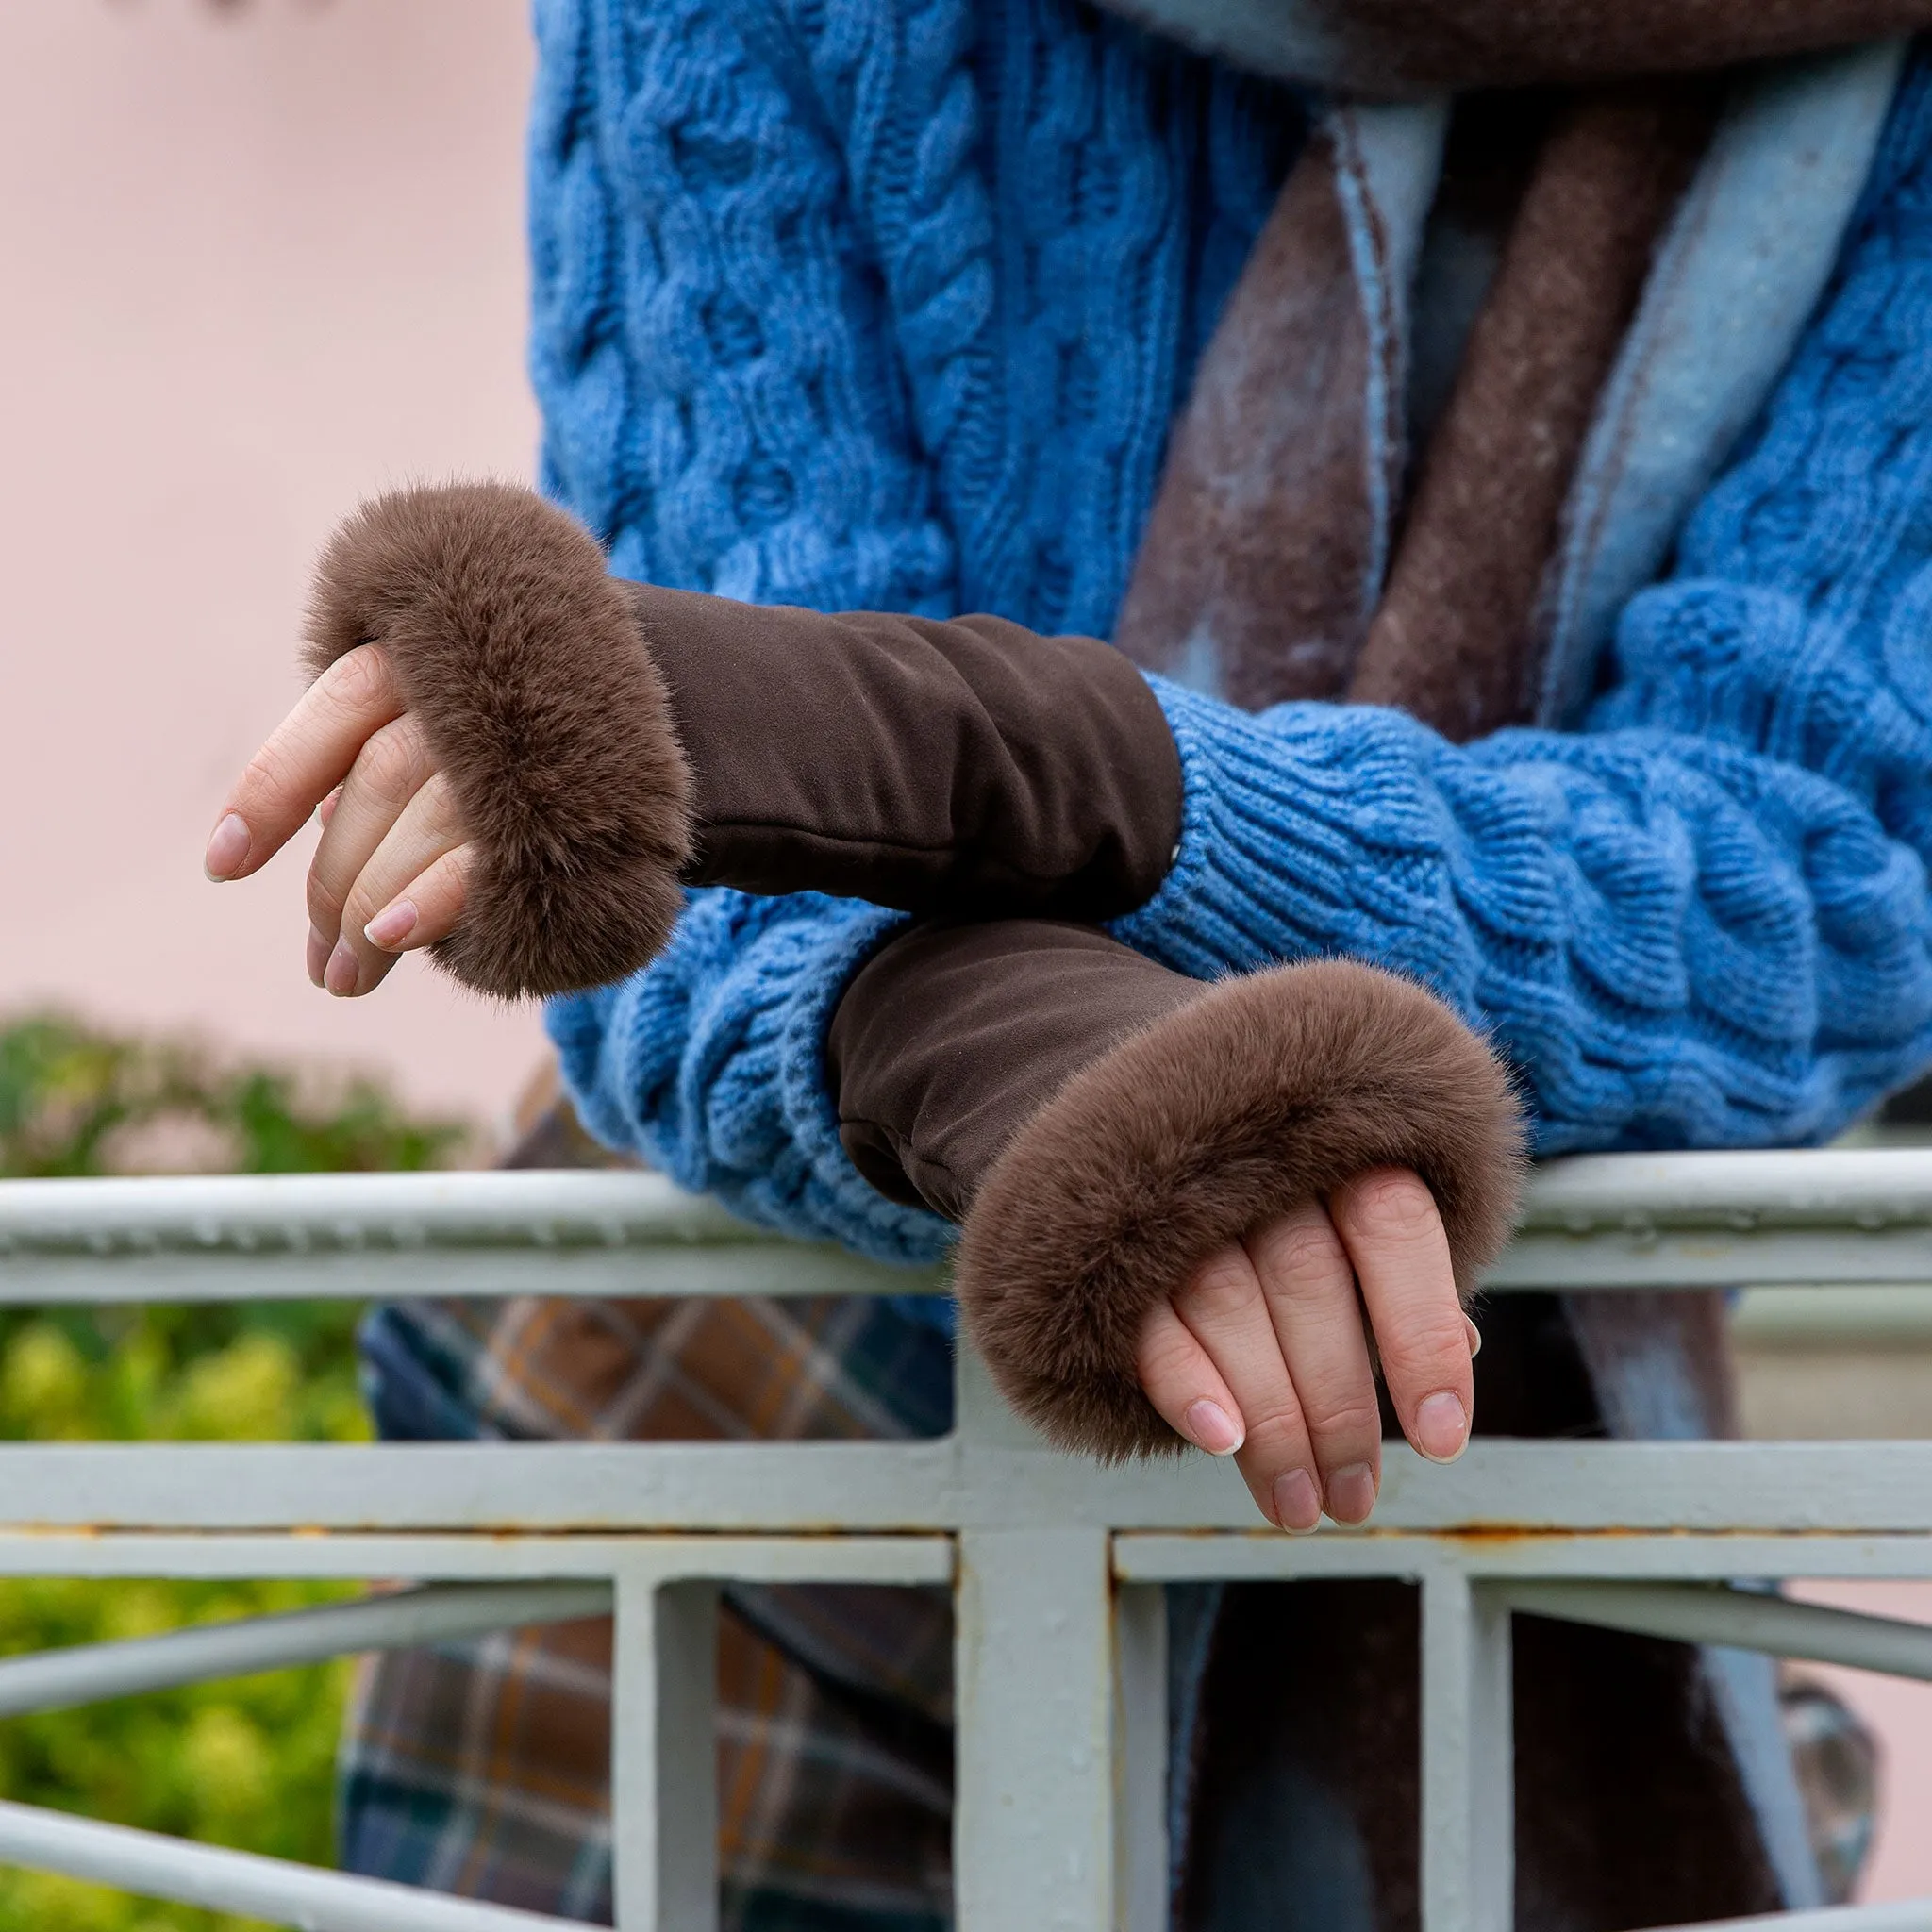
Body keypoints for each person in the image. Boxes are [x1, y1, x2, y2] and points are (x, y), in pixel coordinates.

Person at [207, 2, 1932, 1924]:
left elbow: (1824, 884)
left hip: (1466, 1452)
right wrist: (1020, 1044)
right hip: (743, 1452)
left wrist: (1005, 750)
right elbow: (671, 885)